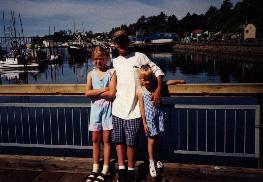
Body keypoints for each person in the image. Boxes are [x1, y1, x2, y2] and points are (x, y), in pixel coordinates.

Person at [111, 29, 164, 181]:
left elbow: (157, 70)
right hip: (117, 109)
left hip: (134, 111)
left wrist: (159, 88)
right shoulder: (114, 62)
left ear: (129, 41)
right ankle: (122, 171)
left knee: (131, 144)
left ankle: (131, 171)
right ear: (115, 44)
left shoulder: (139, 57)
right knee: (119, 142)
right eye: (118, 41)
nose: (121, 44)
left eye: (124, 40)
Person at [85, 46, 116, 182]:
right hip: (95, 113)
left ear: (106, 58)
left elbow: (112, 93)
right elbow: (87, 93)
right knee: (95, 141)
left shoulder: (112, 72)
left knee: (106, 140)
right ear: (93, 60)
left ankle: (105, 169)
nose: (98, 61)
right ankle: (95, 169)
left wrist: (96, 92)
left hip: (108, 111)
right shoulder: (91, 74)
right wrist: (105, 89)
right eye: (96, 59)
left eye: (101, 58)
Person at [137, 64, 165, 178]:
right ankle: (151, 162)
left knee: (157, 138)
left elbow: (166, 83)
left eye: (148, 79)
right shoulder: (141, 92)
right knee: (151, 141)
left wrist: (179, 81)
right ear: (140, 79)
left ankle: (156, 157)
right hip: (149, 119)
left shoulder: (155, 87)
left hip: (158, 115)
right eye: (143, 79)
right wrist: (144, 122)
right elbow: (141, 108)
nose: (146, 82)